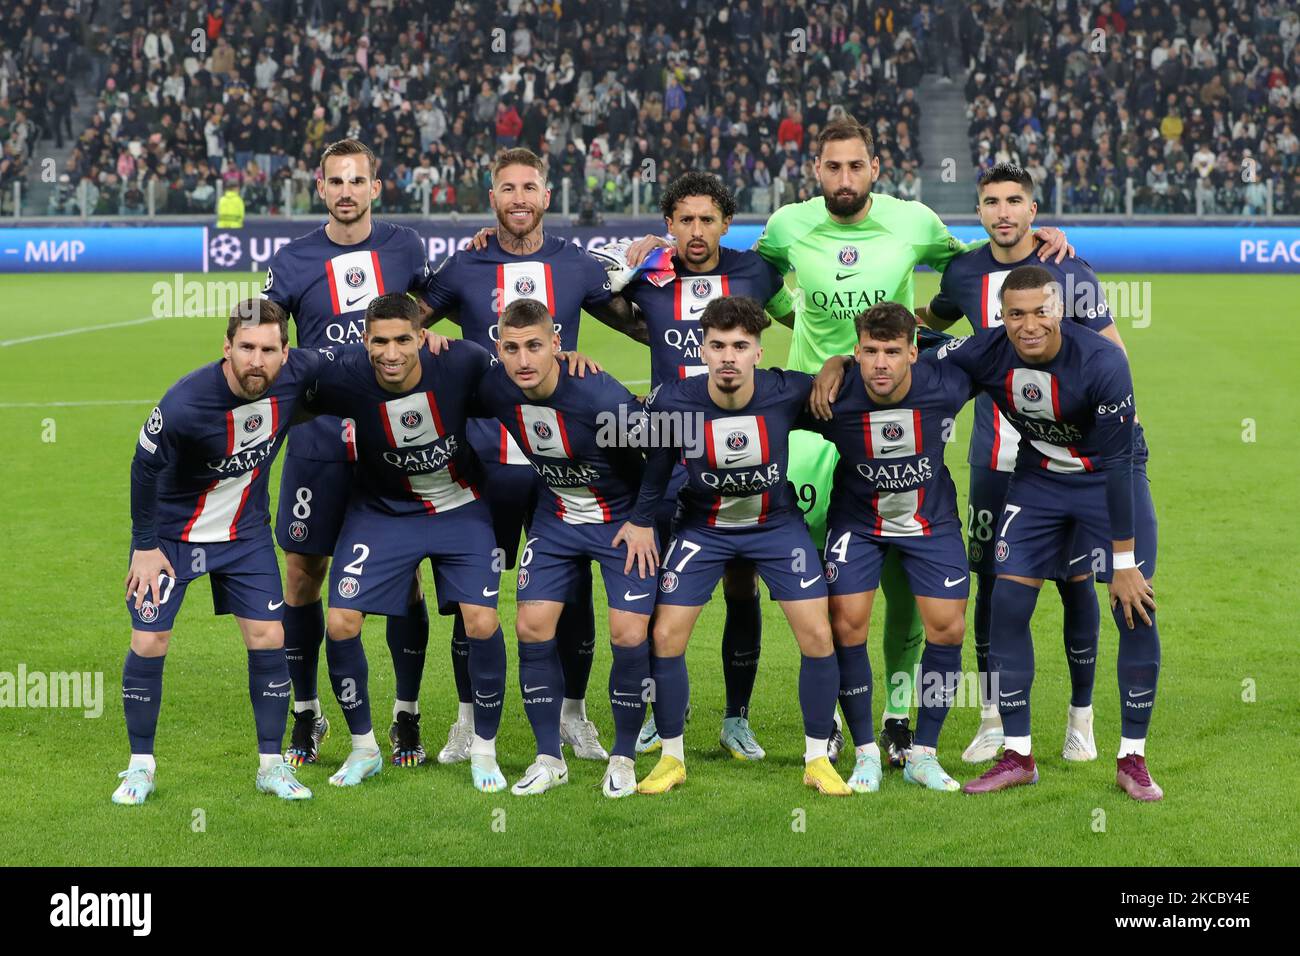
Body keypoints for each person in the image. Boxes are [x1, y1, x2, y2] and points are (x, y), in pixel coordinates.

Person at [421, 147, 643, 766]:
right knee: (475, 599)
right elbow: (399, 324)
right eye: (507, 188)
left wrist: (657, 259)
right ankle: (467, 720)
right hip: (484, 466)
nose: (519, 198)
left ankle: (574, 715)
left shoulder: (574, 265)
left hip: (558, 471)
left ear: (547, 197)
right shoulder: (463, 267)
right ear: (491, 198)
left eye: (530, 187)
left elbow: (642, 324)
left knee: (567, 600)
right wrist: (426, 334)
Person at [915, 162, 1131, 765]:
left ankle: (1080, 719)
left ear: (1033, 211)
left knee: (1075, 581)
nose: (1003, 211)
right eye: (991, 201)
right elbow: (931, 323)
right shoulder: (962, 271)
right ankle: (992, 718)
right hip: (996, 450)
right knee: (993, 578)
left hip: (1068, 454)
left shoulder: (1069, 268)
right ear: (978, 212)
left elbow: (1111, 351)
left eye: (1015, 200)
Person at [930, 267, 1163, 801]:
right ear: (1001, 317)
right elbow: (916, 354)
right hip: (1038, 480)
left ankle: (1132, 759)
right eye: (1016, 314)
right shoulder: (987, 350)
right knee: (1008, 603)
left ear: (1060, 310)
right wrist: (842, 363)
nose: (1029, 325)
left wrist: (1123, 564)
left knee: (1135, 607)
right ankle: (1018, 753)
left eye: (1041, 312)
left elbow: (1122, 458)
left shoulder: (1102, 362)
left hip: (1110, 476)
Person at [261, 138, 435, 771]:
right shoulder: (293, 259)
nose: (346, 191)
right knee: (302, 575)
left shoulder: (405, 247)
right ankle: (307, 714)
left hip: (392, 443)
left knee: (405, 577)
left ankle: (406, 714)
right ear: (320, 187)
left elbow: (435, 308)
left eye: (356, 180)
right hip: (317, 443)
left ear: (375, 187)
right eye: (336, 181)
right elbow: (266, 338)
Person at [631, 297, 850, 797]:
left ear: (758, 351)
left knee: (818, 634)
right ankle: (671, 758)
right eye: (718, 346)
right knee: (666, 636)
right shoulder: (675, 401)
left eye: (740, 346)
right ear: (702, 350)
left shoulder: (786, 391)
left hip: (775, 525)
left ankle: (818, 758)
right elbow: (658, 468)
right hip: (703, 527)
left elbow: (851, 391)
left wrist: (840, 362)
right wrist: (642, 521)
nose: (728, 356)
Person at [613, 171, 796, 760]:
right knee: (654, 587)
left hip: (742, 453)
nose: (696, 231)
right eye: (684, 220)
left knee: (740, 584)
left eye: (707, 219)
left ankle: (736, 717)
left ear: (726, 223)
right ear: (668, 225)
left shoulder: (756, 272)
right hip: (669, 454)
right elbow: (576, 299)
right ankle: (659, 709)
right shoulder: (648, 276)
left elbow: (810, 315)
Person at [114, 300, 321, 805]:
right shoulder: (185, 403)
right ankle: (140, 767)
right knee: (149, 642)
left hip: (243, 535)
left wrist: (428, 341)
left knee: (269, 636)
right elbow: (143, 469)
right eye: (246, 347)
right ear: (226, 348)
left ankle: (271, 766)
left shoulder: (298, 374)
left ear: (285, 353)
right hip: (171, 538)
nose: (257, 360)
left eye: (268, 350)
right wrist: (143, 548)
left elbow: (358, 363)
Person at [303, 294, 509, 792]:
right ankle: (364, 748)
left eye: (402, 339)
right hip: (383, 512)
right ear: (363, 340)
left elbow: (528, 379)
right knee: (341, 621)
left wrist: (567, 359)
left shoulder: (463, 360)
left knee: (481, 620)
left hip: (460, 507)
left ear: (421, 336)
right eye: (379, 341)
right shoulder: (344, 374)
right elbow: (282, 385)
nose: (391, 353)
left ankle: (484, 751)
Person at [473, 299, 660, 797]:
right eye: (511, 349)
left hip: (619, 523)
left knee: (627, 634)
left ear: (557, 343)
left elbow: (662, 448)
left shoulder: (598, 397)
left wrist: (644, 521)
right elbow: (447, 378)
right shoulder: (495, 387)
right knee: (531, 626)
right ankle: (548, 757)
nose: (523, 360)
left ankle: (622, 758)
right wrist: (432, 341)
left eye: (535, 346)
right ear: (500, 351)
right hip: (556, 519)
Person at [804, 302, 975, 793]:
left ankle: (924, 753)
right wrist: (831, 366)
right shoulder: (833, 395)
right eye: (871, 351)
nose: (881, 363)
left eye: (893, 352)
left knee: (947, 628)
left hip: (930, 523)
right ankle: (865, 754)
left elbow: (995, 347)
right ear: (857, 351)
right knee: (846, 623)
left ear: (913, 352)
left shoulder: (947, 385)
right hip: (858, 524)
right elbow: (764, 401)